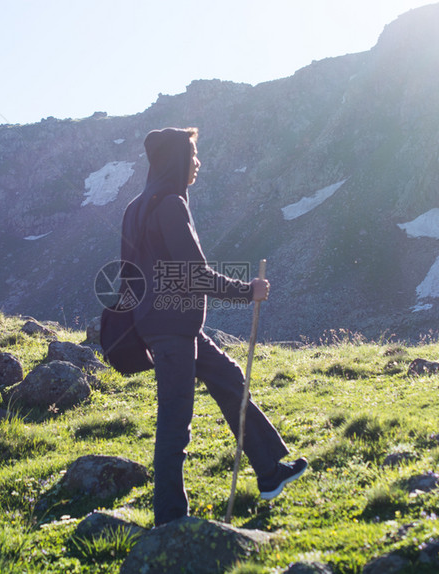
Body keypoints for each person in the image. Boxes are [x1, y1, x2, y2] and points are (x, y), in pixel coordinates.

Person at [119, 127, 307, 526]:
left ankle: (270, 472)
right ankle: (170, 521)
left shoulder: (136, 207)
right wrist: (248, 291)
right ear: (176, 160)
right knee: (175, 422)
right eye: (192, 153)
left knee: (228, 377)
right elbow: (195, 274)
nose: (197, 162)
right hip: (171, 330)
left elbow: (135, 276)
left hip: (166, 326)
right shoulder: (169, 204)